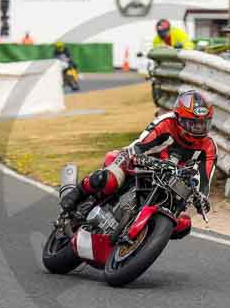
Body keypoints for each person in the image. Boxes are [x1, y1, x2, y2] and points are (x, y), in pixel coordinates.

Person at [59, 91, 215, 226]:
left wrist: (201, 198)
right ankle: (75, 194)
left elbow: (205, 179)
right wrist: (138, 155)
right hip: (141, 162)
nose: (198, 129)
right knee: (108, 180)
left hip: (172, 180)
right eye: (193, 124)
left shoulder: (208, 146)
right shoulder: (167, 122)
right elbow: (141, 144)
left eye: (203, 124)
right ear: (180, 118)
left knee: (183, 225)